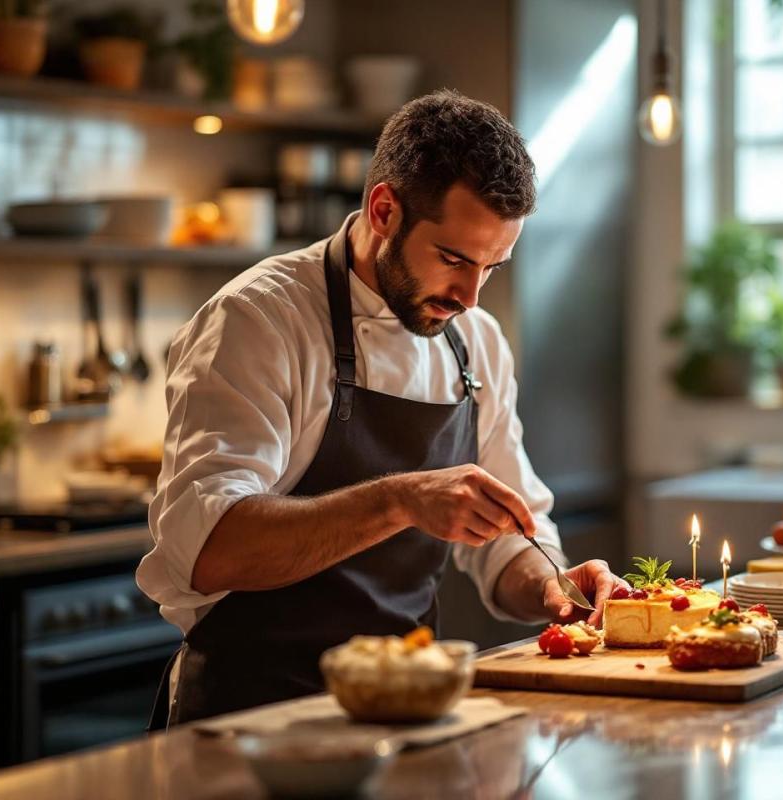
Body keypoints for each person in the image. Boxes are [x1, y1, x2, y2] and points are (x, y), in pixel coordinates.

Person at [138, 90, 625, 725]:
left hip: (405, 708)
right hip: (251, 718)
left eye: (492, 267)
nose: (470, 296)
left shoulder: (475, 342)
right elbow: (210, 549)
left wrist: (553, 589)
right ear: (385, 210)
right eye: (453, 259)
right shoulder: (259, 319)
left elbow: (507, 540)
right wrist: (400, 500)